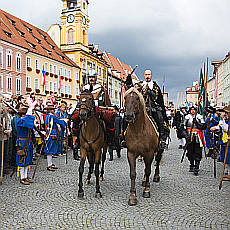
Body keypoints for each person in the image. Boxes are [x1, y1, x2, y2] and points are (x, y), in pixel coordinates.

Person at [141, 70, 169, 149]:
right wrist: (129, 82)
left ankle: (162, 138)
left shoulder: (155, 86)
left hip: (153, 107)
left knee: (160, 119)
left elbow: (157, 98)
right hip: (142, 108)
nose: (147, 76)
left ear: (151, 75)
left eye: (149, 74)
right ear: (144, 76)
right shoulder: (140, 85)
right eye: (146, 74)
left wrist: (150, 92)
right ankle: (125, 137)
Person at [184, 106, 206, 176]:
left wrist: (197, 123)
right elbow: (183, 127)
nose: (193, 111)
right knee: (190, 152)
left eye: (194, 110)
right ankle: (191, 164)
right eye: (192, 110)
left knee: (198, 151)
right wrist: (186, 135)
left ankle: (197, 166)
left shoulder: (199, 117)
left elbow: (203, 127)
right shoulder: (187, 117)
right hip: (189, 135)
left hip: (198, 135)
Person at [16, 105, 35, 185]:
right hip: (22, 143)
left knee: (27, 160)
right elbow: (27, 123)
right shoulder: (20, 121)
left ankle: (26, 176)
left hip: (27, 142)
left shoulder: (24, 120)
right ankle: (22, 177)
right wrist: (29, 111)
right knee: (22, 159)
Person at [44, 104, 67, 171]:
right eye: (53, 109)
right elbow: (59, 121)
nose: (54, 110)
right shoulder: (51, 116)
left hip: (50, 132)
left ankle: (50, 164)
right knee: (49, 150)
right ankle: (49, 165)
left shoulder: (48, 116)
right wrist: (65, 121)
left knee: (50, 150)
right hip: (52, 133)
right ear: (50, 110)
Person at [210, 106, 230, 180]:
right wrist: (216, 129)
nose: (225, 114)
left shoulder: (226, 120)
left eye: (226, 112)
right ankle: (228, 173)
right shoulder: (225, 119)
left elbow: (227, 128)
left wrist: (221, 124)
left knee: (228, 159)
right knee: (226, 159)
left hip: (228, 141)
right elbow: (221, 127)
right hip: (224, 141)